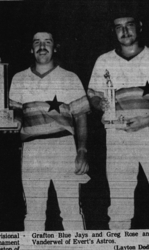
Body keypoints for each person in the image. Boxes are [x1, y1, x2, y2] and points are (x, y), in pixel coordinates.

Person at [9, 29, 90, 230]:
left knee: (71, 211)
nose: (42, 46)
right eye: (37, 42)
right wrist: (15, 121)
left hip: (63, 147)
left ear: (55, 47)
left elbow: (81, 118)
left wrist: (81, 151)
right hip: (32, 151)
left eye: (47, 42)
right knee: (34, 214)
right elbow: (15, 113)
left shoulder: (70, 78)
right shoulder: (19, 78)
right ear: (31, 48)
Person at [87, 7, 149, 229]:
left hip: (148, 130)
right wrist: (99, 104)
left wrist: (146, 120)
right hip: (118, 134)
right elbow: (93, 94)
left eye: (129, 25)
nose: (124, 31)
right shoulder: (104, 60)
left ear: (139, 27)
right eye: (119, 27)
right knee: (120, 200)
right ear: (113, 31)